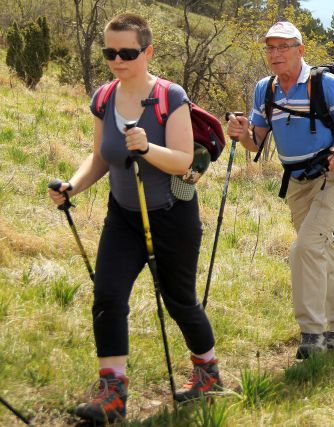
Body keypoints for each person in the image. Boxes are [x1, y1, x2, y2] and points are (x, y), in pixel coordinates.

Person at [47, 13, 221, 423]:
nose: (117, 60)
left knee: (180, 302)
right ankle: (113, 394)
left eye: (127, 52)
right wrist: (72, 186)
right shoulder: (104, 98)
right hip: (123, 215)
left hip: (172, 216)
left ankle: (208, 374)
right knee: (107, 296)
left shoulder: (169, 96)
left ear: (148, 51)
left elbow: (181, 160)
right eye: (110, 52)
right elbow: (100, 157)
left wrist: (146, 149)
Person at [227, 21, 334, 359]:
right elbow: (255, 142)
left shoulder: (324, 84)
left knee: (304, 247)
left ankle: (312, 333)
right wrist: (240, 132)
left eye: (283, 46)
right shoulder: (266, 89)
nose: (275, 54)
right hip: (297, 182)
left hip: (332, 176)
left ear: (300, 50)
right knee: (320, 251)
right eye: (270, 47)